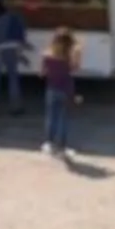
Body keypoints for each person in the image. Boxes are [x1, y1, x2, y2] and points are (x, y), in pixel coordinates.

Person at [40, 27, 79, 156]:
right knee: (64, 119)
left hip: (51, 88)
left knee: (51, 117)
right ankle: (61, 146)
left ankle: (49, 143)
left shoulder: (47, 55)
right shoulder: (68, 57)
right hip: (66, 89)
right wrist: (78, 55)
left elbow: (42, 73)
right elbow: (74, 69)